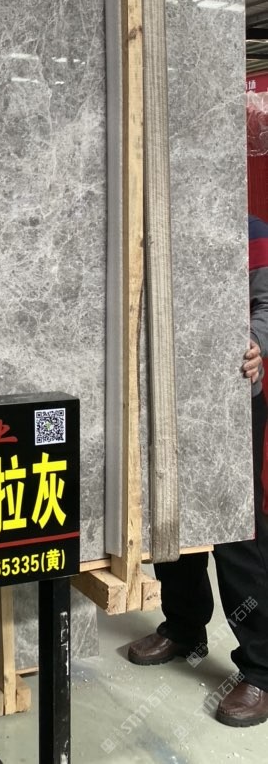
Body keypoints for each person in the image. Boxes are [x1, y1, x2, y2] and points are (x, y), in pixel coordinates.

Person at [127, 213, 268, 727]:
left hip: (229, 399)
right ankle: (185, 628)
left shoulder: (248, 229)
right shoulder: (151, 220)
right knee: (172, 518)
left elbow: (267, 303)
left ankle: (262, 668)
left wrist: (257, 345)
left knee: (237, 531)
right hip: (166, 396)